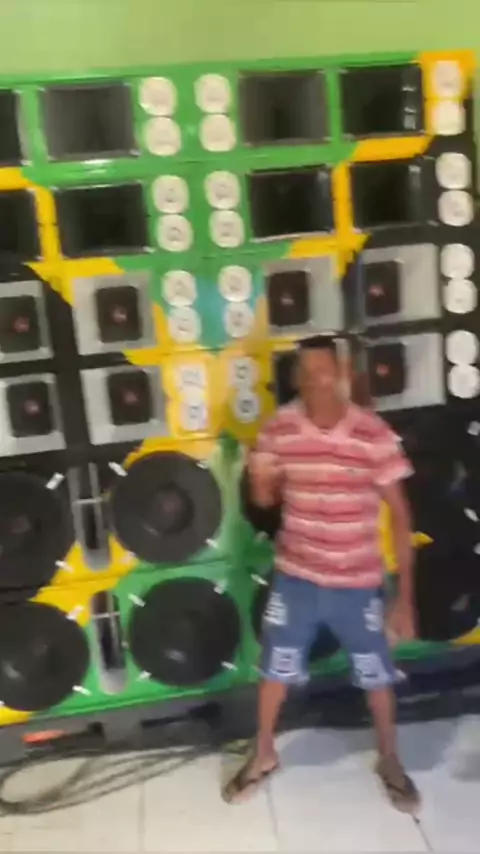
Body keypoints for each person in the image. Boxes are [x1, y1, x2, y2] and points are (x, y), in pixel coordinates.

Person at [223, 334, 419, 812]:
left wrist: (404, 598)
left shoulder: (372, 433)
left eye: (324, 371)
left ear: (342, 373)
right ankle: (264, 753)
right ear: (297, 378)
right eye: (307, 373)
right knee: (274, 670)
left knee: (377, 676)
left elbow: (400, 516)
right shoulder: (279, 430)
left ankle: (390, 759)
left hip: (359, 584)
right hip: (297, 578)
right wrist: (261, 483)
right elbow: (267, 501)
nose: (316, 382)